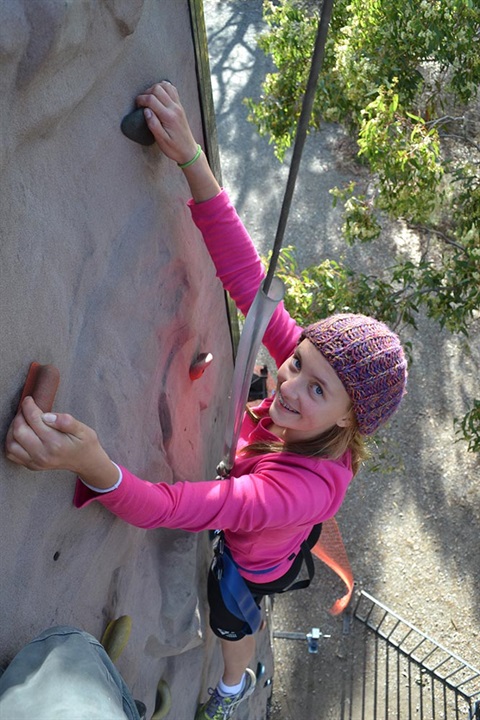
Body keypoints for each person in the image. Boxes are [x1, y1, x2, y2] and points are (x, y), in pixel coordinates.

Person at [5, 82, 407, 720]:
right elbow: (249, 282)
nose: (289, 384)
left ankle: (232, 688)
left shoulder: (290, 492)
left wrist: (89, 462)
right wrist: (192, 159)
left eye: (317, 388)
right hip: (267, 503)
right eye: (298, 363)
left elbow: (175, 507)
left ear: (350, 418)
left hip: (257, 553)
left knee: (229, 614)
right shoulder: (311, 388)